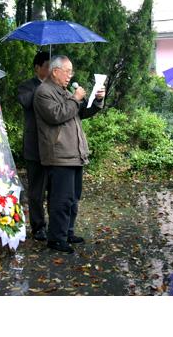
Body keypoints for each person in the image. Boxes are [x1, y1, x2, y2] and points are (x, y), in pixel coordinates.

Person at [33, 55, 105, 253]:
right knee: (61, 200)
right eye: (67, 71)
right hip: (59, 155)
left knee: (73, 198)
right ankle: (56, 238)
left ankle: (67, 231)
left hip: (74, 154)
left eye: (71, 72)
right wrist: (75, 98)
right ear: (56, 71)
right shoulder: (44, 92)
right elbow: (56, 115)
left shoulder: (64, 92)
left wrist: (97, 101)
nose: (70, 76)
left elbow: (80, 113)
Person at [16, 51, 51, 241]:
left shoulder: (57, 86)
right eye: (47, 66)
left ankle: (56, 226)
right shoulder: (26, 86)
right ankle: (38, 227)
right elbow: (26, 102)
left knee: (55, 190)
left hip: (54, 147)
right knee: (37, 191)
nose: (50, 69)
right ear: (37, 67)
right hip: (34, 147)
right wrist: (43, 87)